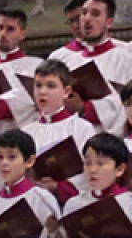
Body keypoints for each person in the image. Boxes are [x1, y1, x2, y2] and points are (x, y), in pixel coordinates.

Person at [51, 0, 132, 134]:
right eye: (84, 14)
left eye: (95, 14)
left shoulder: (128, 59)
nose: (87, 19)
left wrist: (86, 107)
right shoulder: (67, 60)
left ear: (109, 22)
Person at [25, 59, 100, 201]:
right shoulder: (27, 132)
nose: (42, 91)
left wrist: (58, 186)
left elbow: (92, 171)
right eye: (38, 85)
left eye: (50, 86)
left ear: (66, 91)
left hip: (75, 201)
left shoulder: (81, 127)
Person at [0, 9, 43, 128]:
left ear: (22, 34)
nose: (3, 33)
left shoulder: (36, 66)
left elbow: (33, 103)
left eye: (10, 29)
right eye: (0, 28)